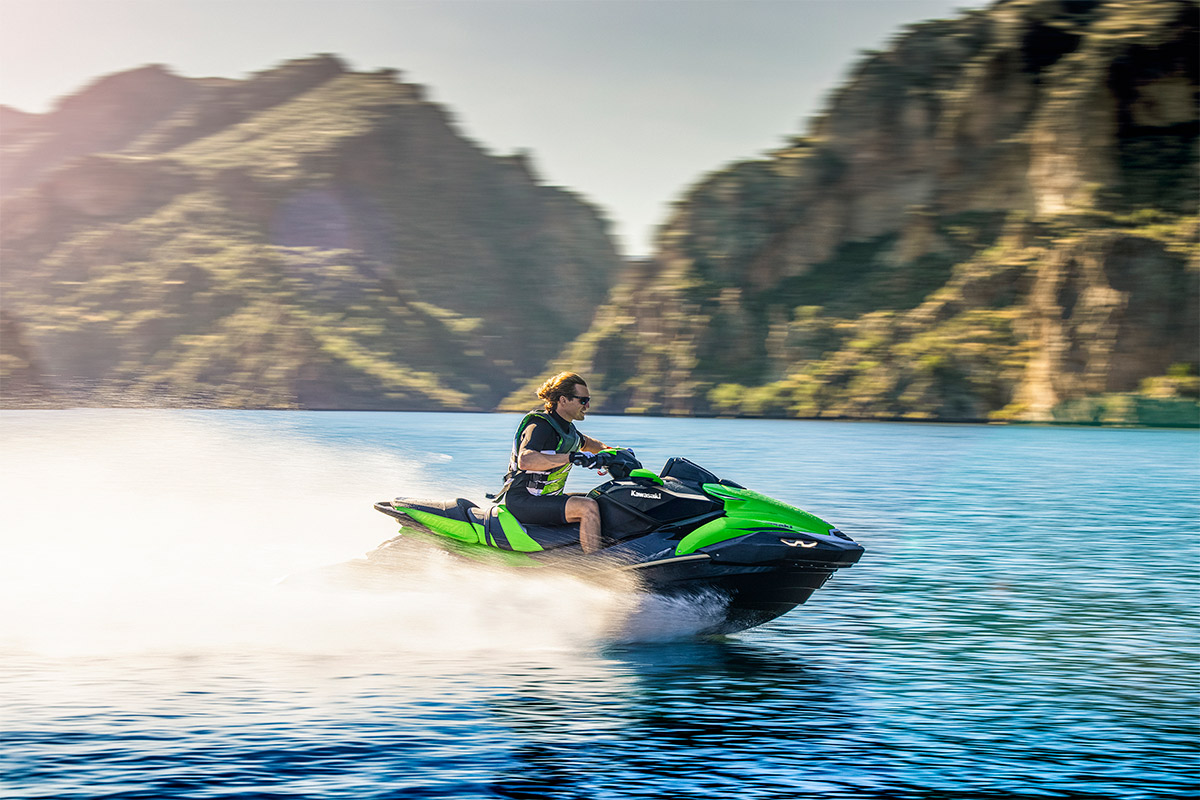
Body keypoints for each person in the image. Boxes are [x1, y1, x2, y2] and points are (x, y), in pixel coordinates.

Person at [497, 372, 624, 553]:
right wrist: (571, 457)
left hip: (547, 498)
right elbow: (526, 460)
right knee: (587, 507)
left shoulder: (569, 431)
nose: (587, 405)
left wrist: (616, 453)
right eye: (583, 400)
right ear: (563, 400)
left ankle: (608, 547)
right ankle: (595, 563)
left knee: (602, 498)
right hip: (523, 500)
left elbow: (590, 445)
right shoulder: (539, 426)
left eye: (588, 400)